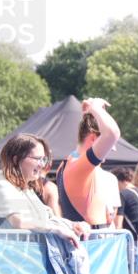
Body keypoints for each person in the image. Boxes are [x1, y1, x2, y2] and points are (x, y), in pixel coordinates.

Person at [0, 134, 88, 244]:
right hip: (7, 257)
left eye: (43, 159)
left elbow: (47, 219)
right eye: (37, 159)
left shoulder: (24, 187)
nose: (42, 165)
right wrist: (57, 229)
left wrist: (73, 225)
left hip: (25, 256)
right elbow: (20, 221)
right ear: (16, 159)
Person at [56, 98, 122, 228]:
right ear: (93, 139)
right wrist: (95, 107)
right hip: (92, 245)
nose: (108, 152)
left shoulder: (68, 164)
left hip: (89, 241)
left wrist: (88, 115)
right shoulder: (78, 167)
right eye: (108, 147)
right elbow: (112, 133)